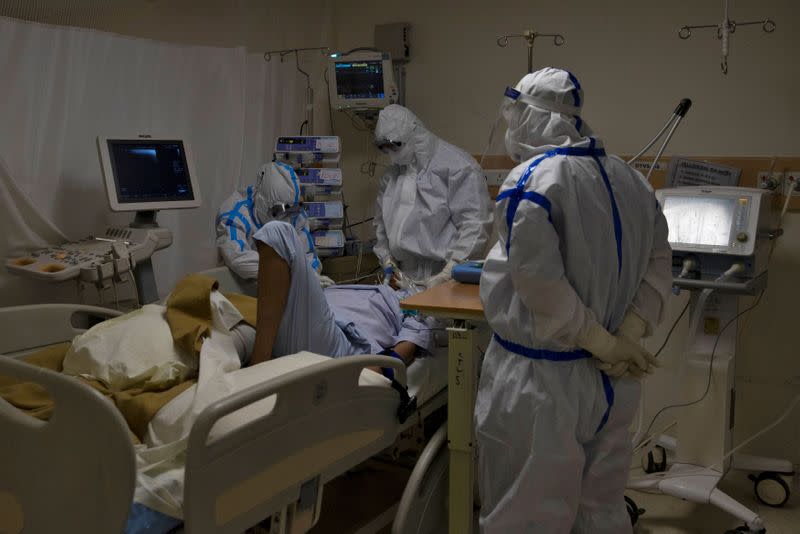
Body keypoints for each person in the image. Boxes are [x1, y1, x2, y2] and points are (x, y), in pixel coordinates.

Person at [474, 67, 673, 533]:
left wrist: (600, 341)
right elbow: (659, 262)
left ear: (526, 118)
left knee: (524, 516)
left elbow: (538, 280)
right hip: (612, 385)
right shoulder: (634, 182)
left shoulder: (533, 183)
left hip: (542, 385)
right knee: (599, 510)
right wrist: (627, 333)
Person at [374, 104, 492, 289]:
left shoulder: (458, 167)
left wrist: (451, 271)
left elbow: (475, 225)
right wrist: (386, 258)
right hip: (402, 278)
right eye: (386, 150)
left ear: (413, 134)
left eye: (395, 148)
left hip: (444, 278)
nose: (392, 157)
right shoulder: (393, 174)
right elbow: (381, 223)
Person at [215, 161, 324, 281]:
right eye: (278, 211)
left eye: (290, 212)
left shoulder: (295, 214)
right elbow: (238, 258)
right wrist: (293, 273)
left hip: (283, 286)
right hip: (240, 286)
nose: (286, 220)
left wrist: (312, 279)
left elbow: (308, 255)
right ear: (261, 200)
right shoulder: (235, 213)